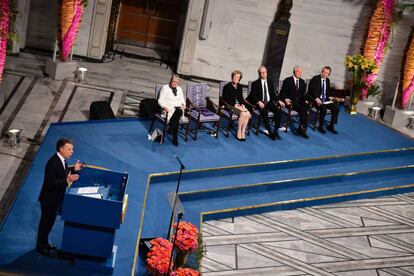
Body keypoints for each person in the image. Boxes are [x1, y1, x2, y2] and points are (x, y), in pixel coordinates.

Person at [37, 138, 83, 257]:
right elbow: (50, 183)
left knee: (50, 222)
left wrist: (74, 169)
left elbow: (63, 172)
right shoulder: (52, 163)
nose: (72, 152)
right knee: (45, 223)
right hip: (49, 200)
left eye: (72, 149)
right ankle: (41, 247)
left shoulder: (62, 160)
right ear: (61, 149)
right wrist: (67, 179)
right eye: (69, 149)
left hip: (56, 198)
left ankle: (45, 243)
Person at [247, 66, 284, 140]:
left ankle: (276, 131)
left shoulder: (270, 82)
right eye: (262, 72)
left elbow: (272, 94)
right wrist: (258, 102)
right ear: (259, 74)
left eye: (265, 72)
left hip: (269, 102)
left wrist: (278, 100)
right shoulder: (255, 83)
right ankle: (270, 132)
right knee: (264, 112)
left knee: (279, 110)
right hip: (261, 103)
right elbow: (252, 95)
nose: (264, 74)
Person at [280, 65, 309, 139]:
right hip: (290, 102)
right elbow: (282, 92)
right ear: (294, 72)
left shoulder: (302, 82)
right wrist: (285, 99)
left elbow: (303, 94)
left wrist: (305, 100)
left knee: (305, 106)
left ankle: (302, 128)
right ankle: (302, 129)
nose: (300, 73)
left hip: (299, 101)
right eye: (298, 72)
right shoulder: (288, 80)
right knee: (304, 109)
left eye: (301, 72)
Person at [307, 66, 339, 134]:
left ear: (328, 74)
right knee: (323, 108)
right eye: (324, 72)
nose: (325, 74)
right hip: (316, 99)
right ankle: (320, 126)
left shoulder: (327, 80)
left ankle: (331, 125)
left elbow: (327, 91)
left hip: (325, 100)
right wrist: (317, 98)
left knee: (336, 108)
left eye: (327, 73)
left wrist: (330, 97)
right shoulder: (315, 78)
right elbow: (311, 89)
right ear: (322, 72)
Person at [222, 70, 251, 141]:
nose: (236, 78)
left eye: (238, 77)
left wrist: (243, 105)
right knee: (243, 114)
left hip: (239, 106)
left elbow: (241, 98)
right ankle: (238, 131)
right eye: (234, 77)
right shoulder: (227, 86)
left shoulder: (240, 86)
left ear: (239, 79)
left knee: (247, 113)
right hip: (230, 106)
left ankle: (243, 131)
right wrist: (236, 106)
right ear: (232, 77)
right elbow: (226, 99)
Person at [158, 74, 186, 146]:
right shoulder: (165, 88)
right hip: (168, 110)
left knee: (179, 111)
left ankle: (171, 127)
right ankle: (174, 137)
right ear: (170, 81)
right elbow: (160, 100)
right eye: (173, 81)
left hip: (178, 108)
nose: (175, 83)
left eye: (177, 82)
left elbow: (182, 100)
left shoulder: (179, 89)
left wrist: (183, 104)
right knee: (177, 118)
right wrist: (164, 107)